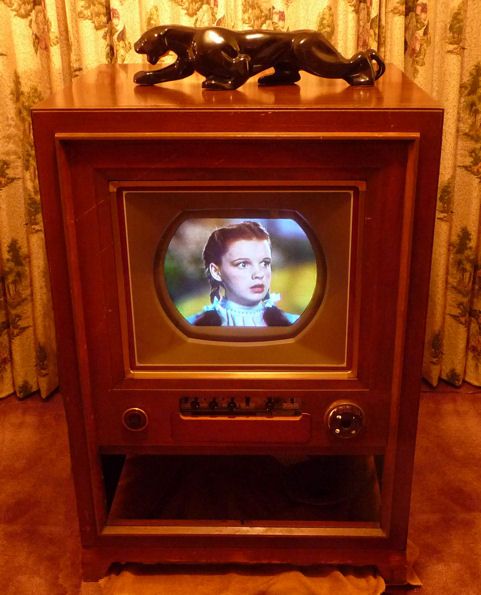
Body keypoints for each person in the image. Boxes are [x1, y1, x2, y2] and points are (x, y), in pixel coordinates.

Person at [187, 221, 299, 326]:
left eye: (265, 263)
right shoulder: (191, 325)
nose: (259, 274)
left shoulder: (294, 323)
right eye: (243, 264)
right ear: (216, 272)